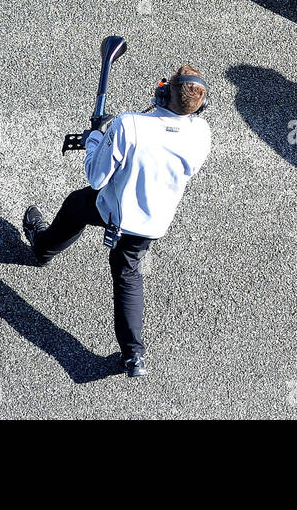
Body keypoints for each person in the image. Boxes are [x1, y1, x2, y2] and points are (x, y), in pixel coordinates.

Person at [22, 65, 212, 376]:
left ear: (163, 93)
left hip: (115, 211)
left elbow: (96, 177)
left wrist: (98, 137)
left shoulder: (130, 125)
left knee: (76, 205)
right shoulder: (202, 134)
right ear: (201, 107)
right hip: (153, 223)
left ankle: (42, 249)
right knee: (127, 276)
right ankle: (133, 356)